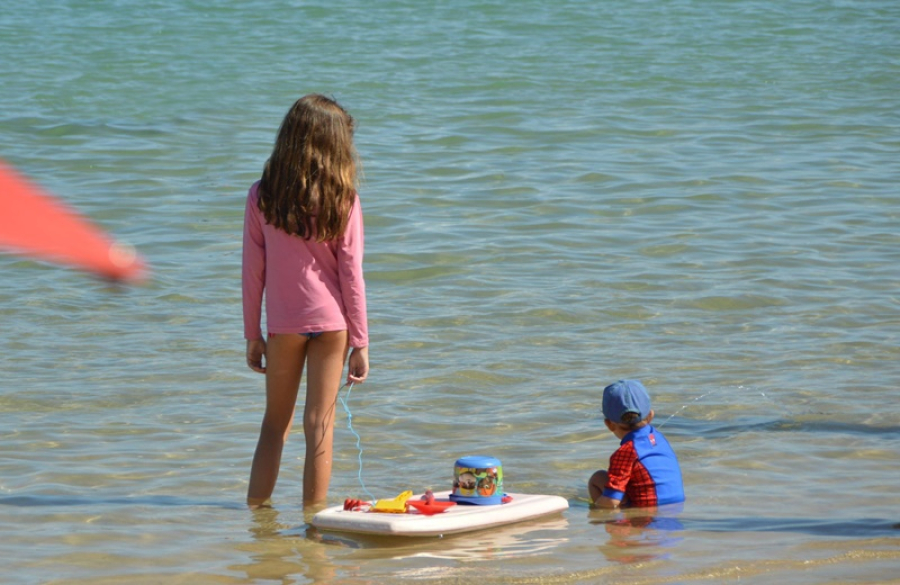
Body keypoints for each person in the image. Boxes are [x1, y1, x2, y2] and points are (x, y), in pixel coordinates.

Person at [242, 94, 370, 509]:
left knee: (274, 426)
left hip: (285, 324)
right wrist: (361, 341)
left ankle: (257, 520)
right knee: (320, 426)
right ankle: (314, 525)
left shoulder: (263, 196)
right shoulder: (344, 199)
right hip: (333, 324)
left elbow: (252, 273)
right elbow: (352, 274)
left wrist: (252, 335)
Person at [588, 380, 684, 509]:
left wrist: (593, 512)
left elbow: (612, 501)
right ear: (650, 415)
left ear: (609, 424)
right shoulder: (658, 438)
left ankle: (613, 519)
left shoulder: (626, 452)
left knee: (598, 478)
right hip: (676, 508)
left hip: (645, 516)